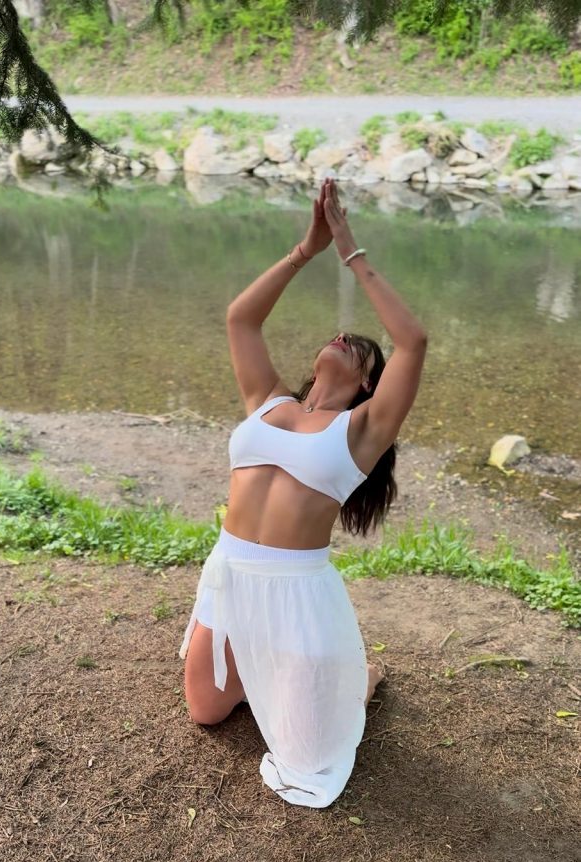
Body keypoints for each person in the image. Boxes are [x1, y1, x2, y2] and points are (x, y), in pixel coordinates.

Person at [179, 178, 427, 808]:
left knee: (312, 761)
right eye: (341, 335)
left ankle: (357, 682)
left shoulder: (362, 432)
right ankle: (276, 674)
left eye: (360, 347)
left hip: (297, 592)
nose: (346, 337)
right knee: (206, 711)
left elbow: (413, 341)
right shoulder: (269, 402)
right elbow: (241, 317)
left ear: (370, 380)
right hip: (231, 572)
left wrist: (349, 249)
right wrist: (305, 248)